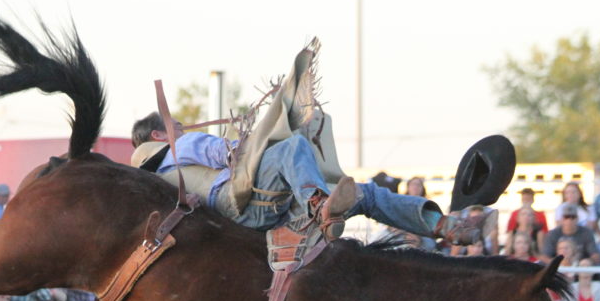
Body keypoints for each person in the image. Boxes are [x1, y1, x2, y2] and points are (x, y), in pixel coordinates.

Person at [130, 112, 492, 246]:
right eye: (175, 126)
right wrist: (253, 136)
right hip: (239, 203)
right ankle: (320, 204)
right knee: (293, 146)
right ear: (159, 137)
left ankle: (444, 225)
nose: (183, 128)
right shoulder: (181, 146)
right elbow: (227, 153)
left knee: (364, 194)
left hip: (251, 214)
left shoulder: (152, 182)